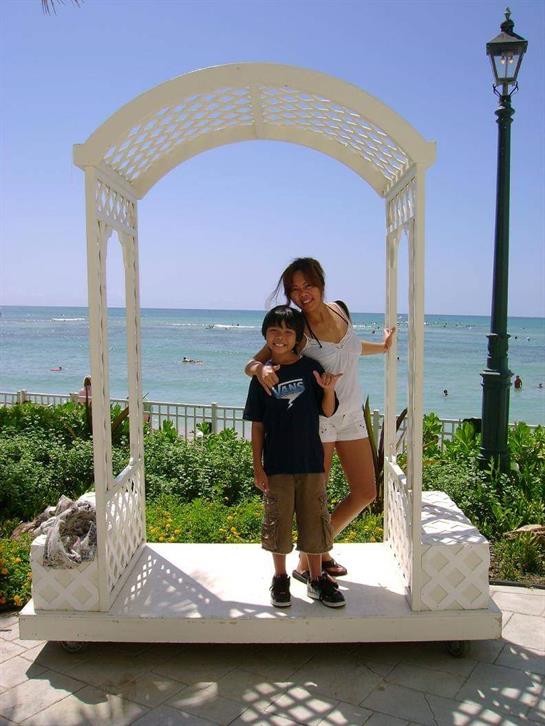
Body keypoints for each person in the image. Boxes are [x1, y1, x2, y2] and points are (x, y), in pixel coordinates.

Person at [245, 258, 395, 581]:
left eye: (307, 285)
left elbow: (350, 349)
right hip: (320, 421)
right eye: (294, 290)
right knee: (315, 500)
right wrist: (262, 369)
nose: (302, 294)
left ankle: (317, 550)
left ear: (321, 283)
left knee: (366, 492)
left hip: (352, 415)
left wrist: (382, 347)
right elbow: (255, 362)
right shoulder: (299, 330)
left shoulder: (341, 309)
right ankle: (312, 560)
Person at [243, 305, 345, 609]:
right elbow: (257, 426)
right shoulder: (261, 377)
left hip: (311, 462)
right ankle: (280, 578)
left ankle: (316, 580)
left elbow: (327, 410)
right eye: (274, 330)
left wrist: (328, 389)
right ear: (265, 335)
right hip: (276, 466)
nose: (281, 337)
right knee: (278, 525)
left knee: (315, 523)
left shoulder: (309, 368)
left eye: (289, 332)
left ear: (298, 337)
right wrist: (257, 467)